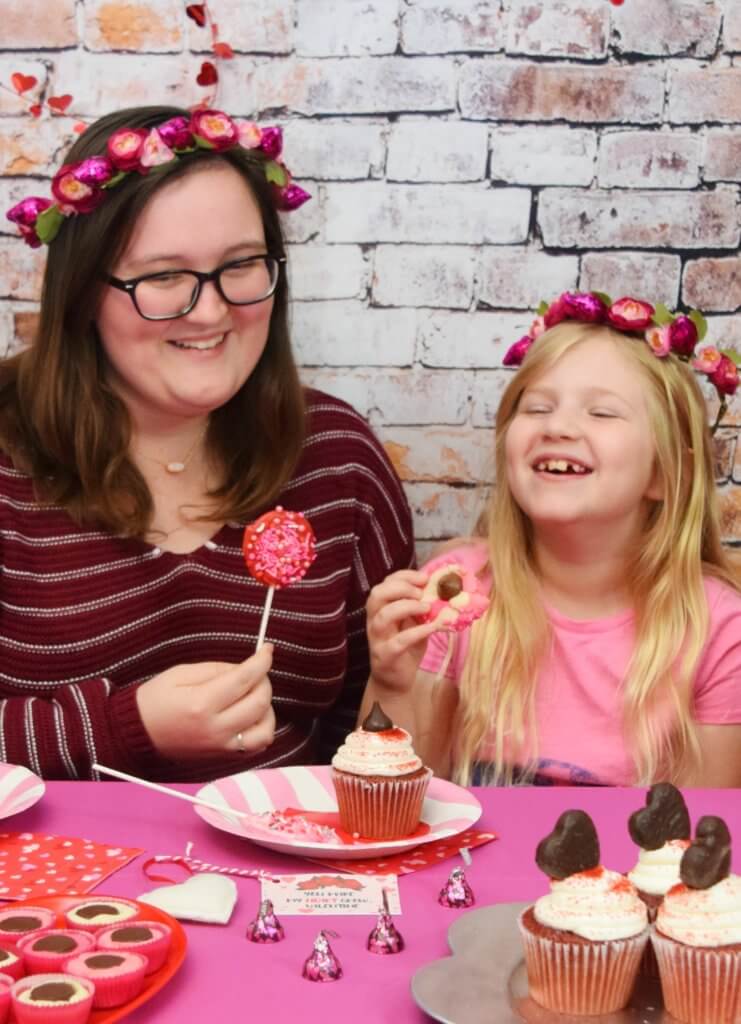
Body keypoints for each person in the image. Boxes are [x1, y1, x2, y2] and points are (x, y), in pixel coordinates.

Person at [1, 105, 414, 781]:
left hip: (279, 870)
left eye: (241, 265)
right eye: (163, 277)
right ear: (83, 293)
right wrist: (126, 727)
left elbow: (368, 725)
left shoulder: (336, 458)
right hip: (46, 881)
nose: (211, 311)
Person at [363, 293, 741, 787]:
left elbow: (699, 844)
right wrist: (392, 686)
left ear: (667, 473)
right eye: (537, 407)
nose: (558, 427)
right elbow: (389, 807)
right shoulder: (455, 589)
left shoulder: (715, 629)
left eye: (602, 414)